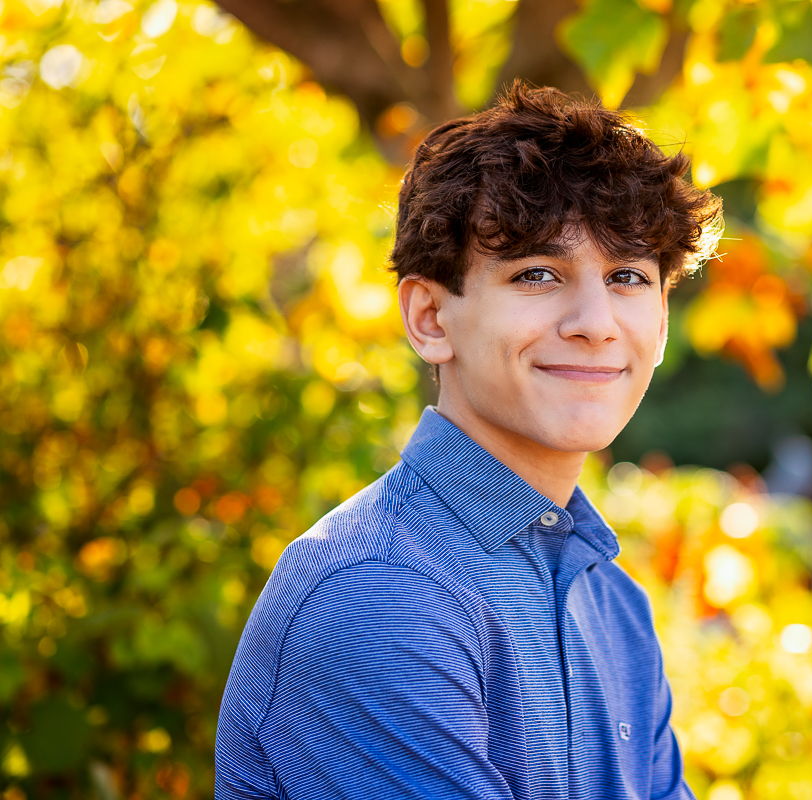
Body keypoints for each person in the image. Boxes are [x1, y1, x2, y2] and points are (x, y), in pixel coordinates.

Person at [215, 81, 722, 800]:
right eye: (538, 273)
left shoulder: (615, 605)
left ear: (663, 324)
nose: (596, 321)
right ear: (429, 317)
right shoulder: (376, 590)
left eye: (628, 277)